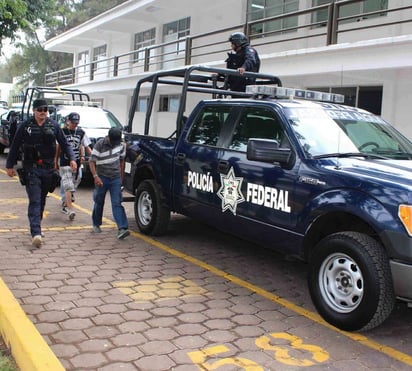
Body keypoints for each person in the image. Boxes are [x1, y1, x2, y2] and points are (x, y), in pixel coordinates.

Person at [5, 99, 77, 248]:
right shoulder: (25, 126)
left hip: (48, 169)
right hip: (31, 168)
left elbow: (65, 144)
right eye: (40, 109)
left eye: (45, 109)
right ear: (34, 110)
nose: (43, 112)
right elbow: (15, 145)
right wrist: (9, 165)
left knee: (42, 199)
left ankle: (37, 226)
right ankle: (36, 233)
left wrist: (72, 159)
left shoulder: (54, 125)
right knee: (35, 199)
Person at [88, 127, 130, 240]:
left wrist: (121, 178)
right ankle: (96, 223)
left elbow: (122, 161)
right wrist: (95, 177)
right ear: (108, 137)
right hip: (102, 177)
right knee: (99, 201)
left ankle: (122, 228)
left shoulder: (121, 145)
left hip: (115, 178)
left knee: (117, 203)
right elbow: (91, 161)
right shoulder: (100, 144)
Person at [55, 112, 92, 220]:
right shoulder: (62, 132)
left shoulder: (81, 133)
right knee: (68, 184)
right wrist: (55, 161)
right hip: (65, 163)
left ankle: (68, 198)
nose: (75, 125)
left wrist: (92, 157)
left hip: (77, 163)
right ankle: (69, 208)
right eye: (73, 122)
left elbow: (85, 146)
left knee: (78, 179)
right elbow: (58, 148)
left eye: (76, 123)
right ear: (67, 121)